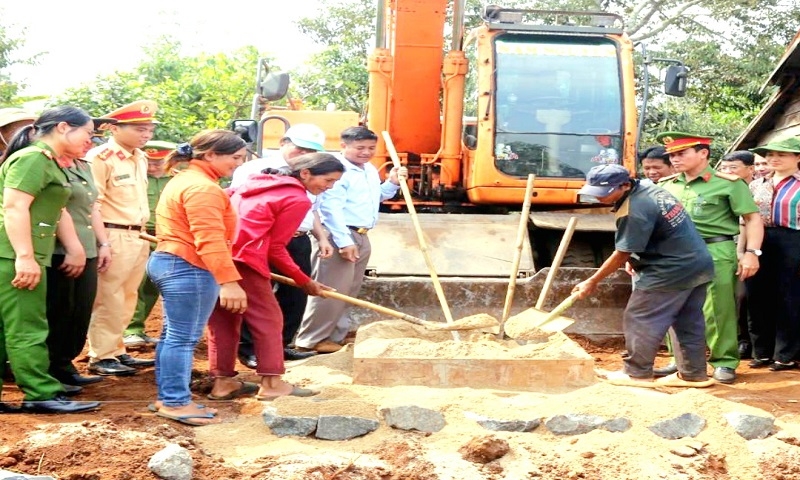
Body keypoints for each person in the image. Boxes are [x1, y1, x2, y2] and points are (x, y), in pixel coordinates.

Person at [206, 152, 343, 401]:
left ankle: (222, 383)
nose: (329, 187)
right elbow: (276, 248)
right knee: (269, 319)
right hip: (245, 261)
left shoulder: (249, 185)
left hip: (216, 256)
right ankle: (271, 384)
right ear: (305, 173)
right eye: (328, 181)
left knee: (223, 320)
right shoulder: (296, 198)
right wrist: (305, 281)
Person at [572, 165, 715, 386]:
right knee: (688, 321)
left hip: (669, 269)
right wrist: (635, 259)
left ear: (625, 185)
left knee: (641, 317)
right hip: (696, 263)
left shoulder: (635, 208)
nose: (600, 198)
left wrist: (593, 280)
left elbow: (621, 253)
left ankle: (636, 373)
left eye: (606, 192)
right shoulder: (649, 188)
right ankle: (694, 374)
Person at [0, 106, 100, 413]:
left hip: (22, 252)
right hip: (12, 255)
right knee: (27, 326)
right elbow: (15, 208)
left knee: (11, 327)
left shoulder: (50, 162)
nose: (90, 141)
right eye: (88, 133)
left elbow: (57, 211)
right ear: (63, 127)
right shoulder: (33, 159)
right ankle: (40, 393)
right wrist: (25, 258)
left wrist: (74, 248)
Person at [147, 130, 248, 426]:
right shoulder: (202, 188)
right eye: (235, 158)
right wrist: (229, 281)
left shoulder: (185, 180)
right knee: (182, 338)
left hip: (172, 261)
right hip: (188, 265)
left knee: (172, 336)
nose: (238, 164)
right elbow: (209, 240)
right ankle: (175, 402)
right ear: (211, 155)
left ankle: (169, 397)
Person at [655, 132, 763, 384]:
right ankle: (680, 359)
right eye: (672, 155)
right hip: (673, 253)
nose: (675, 159)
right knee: (673, 306)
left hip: (714, 249)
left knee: (717, 308)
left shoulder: (729, 183)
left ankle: (724, 361)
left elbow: (752, 218)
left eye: (682, 153)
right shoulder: (667, 185)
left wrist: (752, 253)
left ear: (703, 153)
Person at [294, 126, 404, 354]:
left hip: (362, 234)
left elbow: (377, 197)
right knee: (330, 289)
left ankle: (334, 337)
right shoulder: (335, 169)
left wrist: (392, 182)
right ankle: (309, 340)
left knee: (349, 290)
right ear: (344, 146)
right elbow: (330, 208)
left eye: (371, 148)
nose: (366, 152)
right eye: (360, 148)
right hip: (340, 234)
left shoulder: (370, 170)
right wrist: (343, 241)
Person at [230, 124, 333, 365]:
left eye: (311, 150)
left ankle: (281, 344)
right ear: (283, 142)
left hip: (298, 239)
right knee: (257, 294)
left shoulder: (316, 173)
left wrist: (322, 237)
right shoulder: (252, 169)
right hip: (262, 242)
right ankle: (250, 348)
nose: (305, 154)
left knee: (295, 294)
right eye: (301, 149)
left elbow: (313, 210)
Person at [86, 100, 158, 376]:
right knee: (109, 295)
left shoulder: (139, 156)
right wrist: (102, 241)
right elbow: (95, 202)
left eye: (149, 128)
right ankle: (101, 355)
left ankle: (117, 349)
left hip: (137, 234)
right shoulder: (100, 158)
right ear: (115, 129)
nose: (146, 134)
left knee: (128, 295)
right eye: (140, 128)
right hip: (112, 232)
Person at [45, 118, 116, 389]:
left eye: (93, 138)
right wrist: (74, 248)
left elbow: (92, 209)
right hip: (59, 250)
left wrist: (104, 244)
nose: (90, 142)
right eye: (87, 136)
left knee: (80, 310)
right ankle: (51, 368)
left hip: (86, 249)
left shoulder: (84, 167)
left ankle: (65, 362)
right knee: (58, 310)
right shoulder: (50, 165)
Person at [744, 136, 800, 371]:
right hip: (759, 240)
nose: (773, 159)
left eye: (781, 154)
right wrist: (744, 249)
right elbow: (745, 219)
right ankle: (761, 352)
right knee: (756, 294)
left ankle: (785, 354)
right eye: (769, 155)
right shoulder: (756, 185)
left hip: (793, 240)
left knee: (790, 296)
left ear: (797, 158)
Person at [123, 140, 177, 349]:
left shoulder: (176, 180)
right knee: (134, 282)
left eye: (158, 162)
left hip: (165, 237)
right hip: (139, 235)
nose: (153, 167)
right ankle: (131, 330)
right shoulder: (134, 178)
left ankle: (138, 328)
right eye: (149, 162)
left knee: (152, 285)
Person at [719, 150, 756, 359]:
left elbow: (749, 222)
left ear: (749, 169)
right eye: (724, 167)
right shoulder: (719, 187)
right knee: (737, 296)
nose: (727, 172)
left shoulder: (759, 189)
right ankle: (741, 340)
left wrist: (746, 251)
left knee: (752, 297)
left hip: (757, 248)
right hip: (728, 248)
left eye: (733, 168)